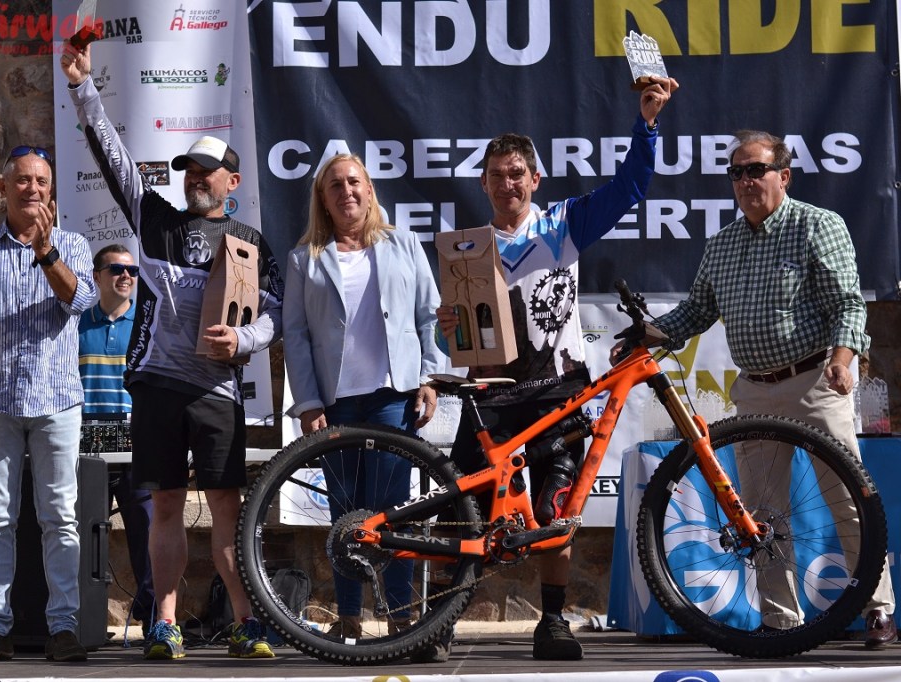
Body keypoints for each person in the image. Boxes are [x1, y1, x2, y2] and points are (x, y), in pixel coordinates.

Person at [434, 77, 678, 662]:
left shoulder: (562, 224)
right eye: (497, 175)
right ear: (483, 183)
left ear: (536, 179)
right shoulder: (466, 247)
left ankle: (552, 620)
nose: (508, 184)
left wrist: (647, 124)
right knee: (459, 511)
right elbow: (454, 335)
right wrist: (449, 327)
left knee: (555, 508)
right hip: (491, 395)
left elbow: (630, 188)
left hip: (556, 391)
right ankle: (439, 621)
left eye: (517, 173)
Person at [627, 129, 896, 648]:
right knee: (762, 514)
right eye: (737, 173)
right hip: (754, 390)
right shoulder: (722, 244)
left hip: (816, 381)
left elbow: (848, 303)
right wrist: (647, 335)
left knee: (849, 501)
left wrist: (843, 360)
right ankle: (780, 622)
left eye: (756, 170)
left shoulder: (817, 225)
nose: (746, 181)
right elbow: (696, 312)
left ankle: (878, 609)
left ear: (784, 176)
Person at [59, 42, 283, 661]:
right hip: (158, 383)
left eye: (207, 171)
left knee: (228, 511)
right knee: (165, 506)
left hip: (217, 388)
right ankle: (164, 622)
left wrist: (243, 339)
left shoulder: (248, 241)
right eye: (189, 170)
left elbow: (277, 314)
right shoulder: (155, 219)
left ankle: (245, 622)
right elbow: (113, 160)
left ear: (232, 182)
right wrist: (82, 88)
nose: (195, 178)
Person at [283, 154, 444, 638]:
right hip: (336, 404)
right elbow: (296, 336)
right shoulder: (304, 258)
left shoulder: (404, 244)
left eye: (354, 182)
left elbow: (429, 315)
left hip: (393, 397)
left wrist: (430, 377)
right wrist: (308, 402)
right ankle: (349, 617)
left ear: (369, 189)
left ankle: (400, 616)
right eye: (334, 185)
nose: (346, 191)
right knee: (346, 515)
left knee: (394, 512)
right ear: (322, 199)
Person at [0, 146, 95, 663]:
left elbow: (80, 301)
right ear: (3, 187)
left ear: (51, 189)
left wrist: (46, 252)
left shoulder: (72, 244)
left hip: (56, 401)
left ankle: (63, 628)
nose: (33, 188)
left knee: (60, 517)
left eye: (41, 181)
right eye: (23, 180)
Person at [78, 243, 156, 638]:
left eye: (132, 271)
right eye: (116, 269)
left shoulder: (147, 325)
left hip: (134, 439)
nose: (126, 276)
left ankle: (155, 619)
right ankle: (79, 620)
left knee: (148, 531)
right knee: (80, 536)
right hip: (86, 440)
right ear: (97, 276)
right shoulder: (76, 324)